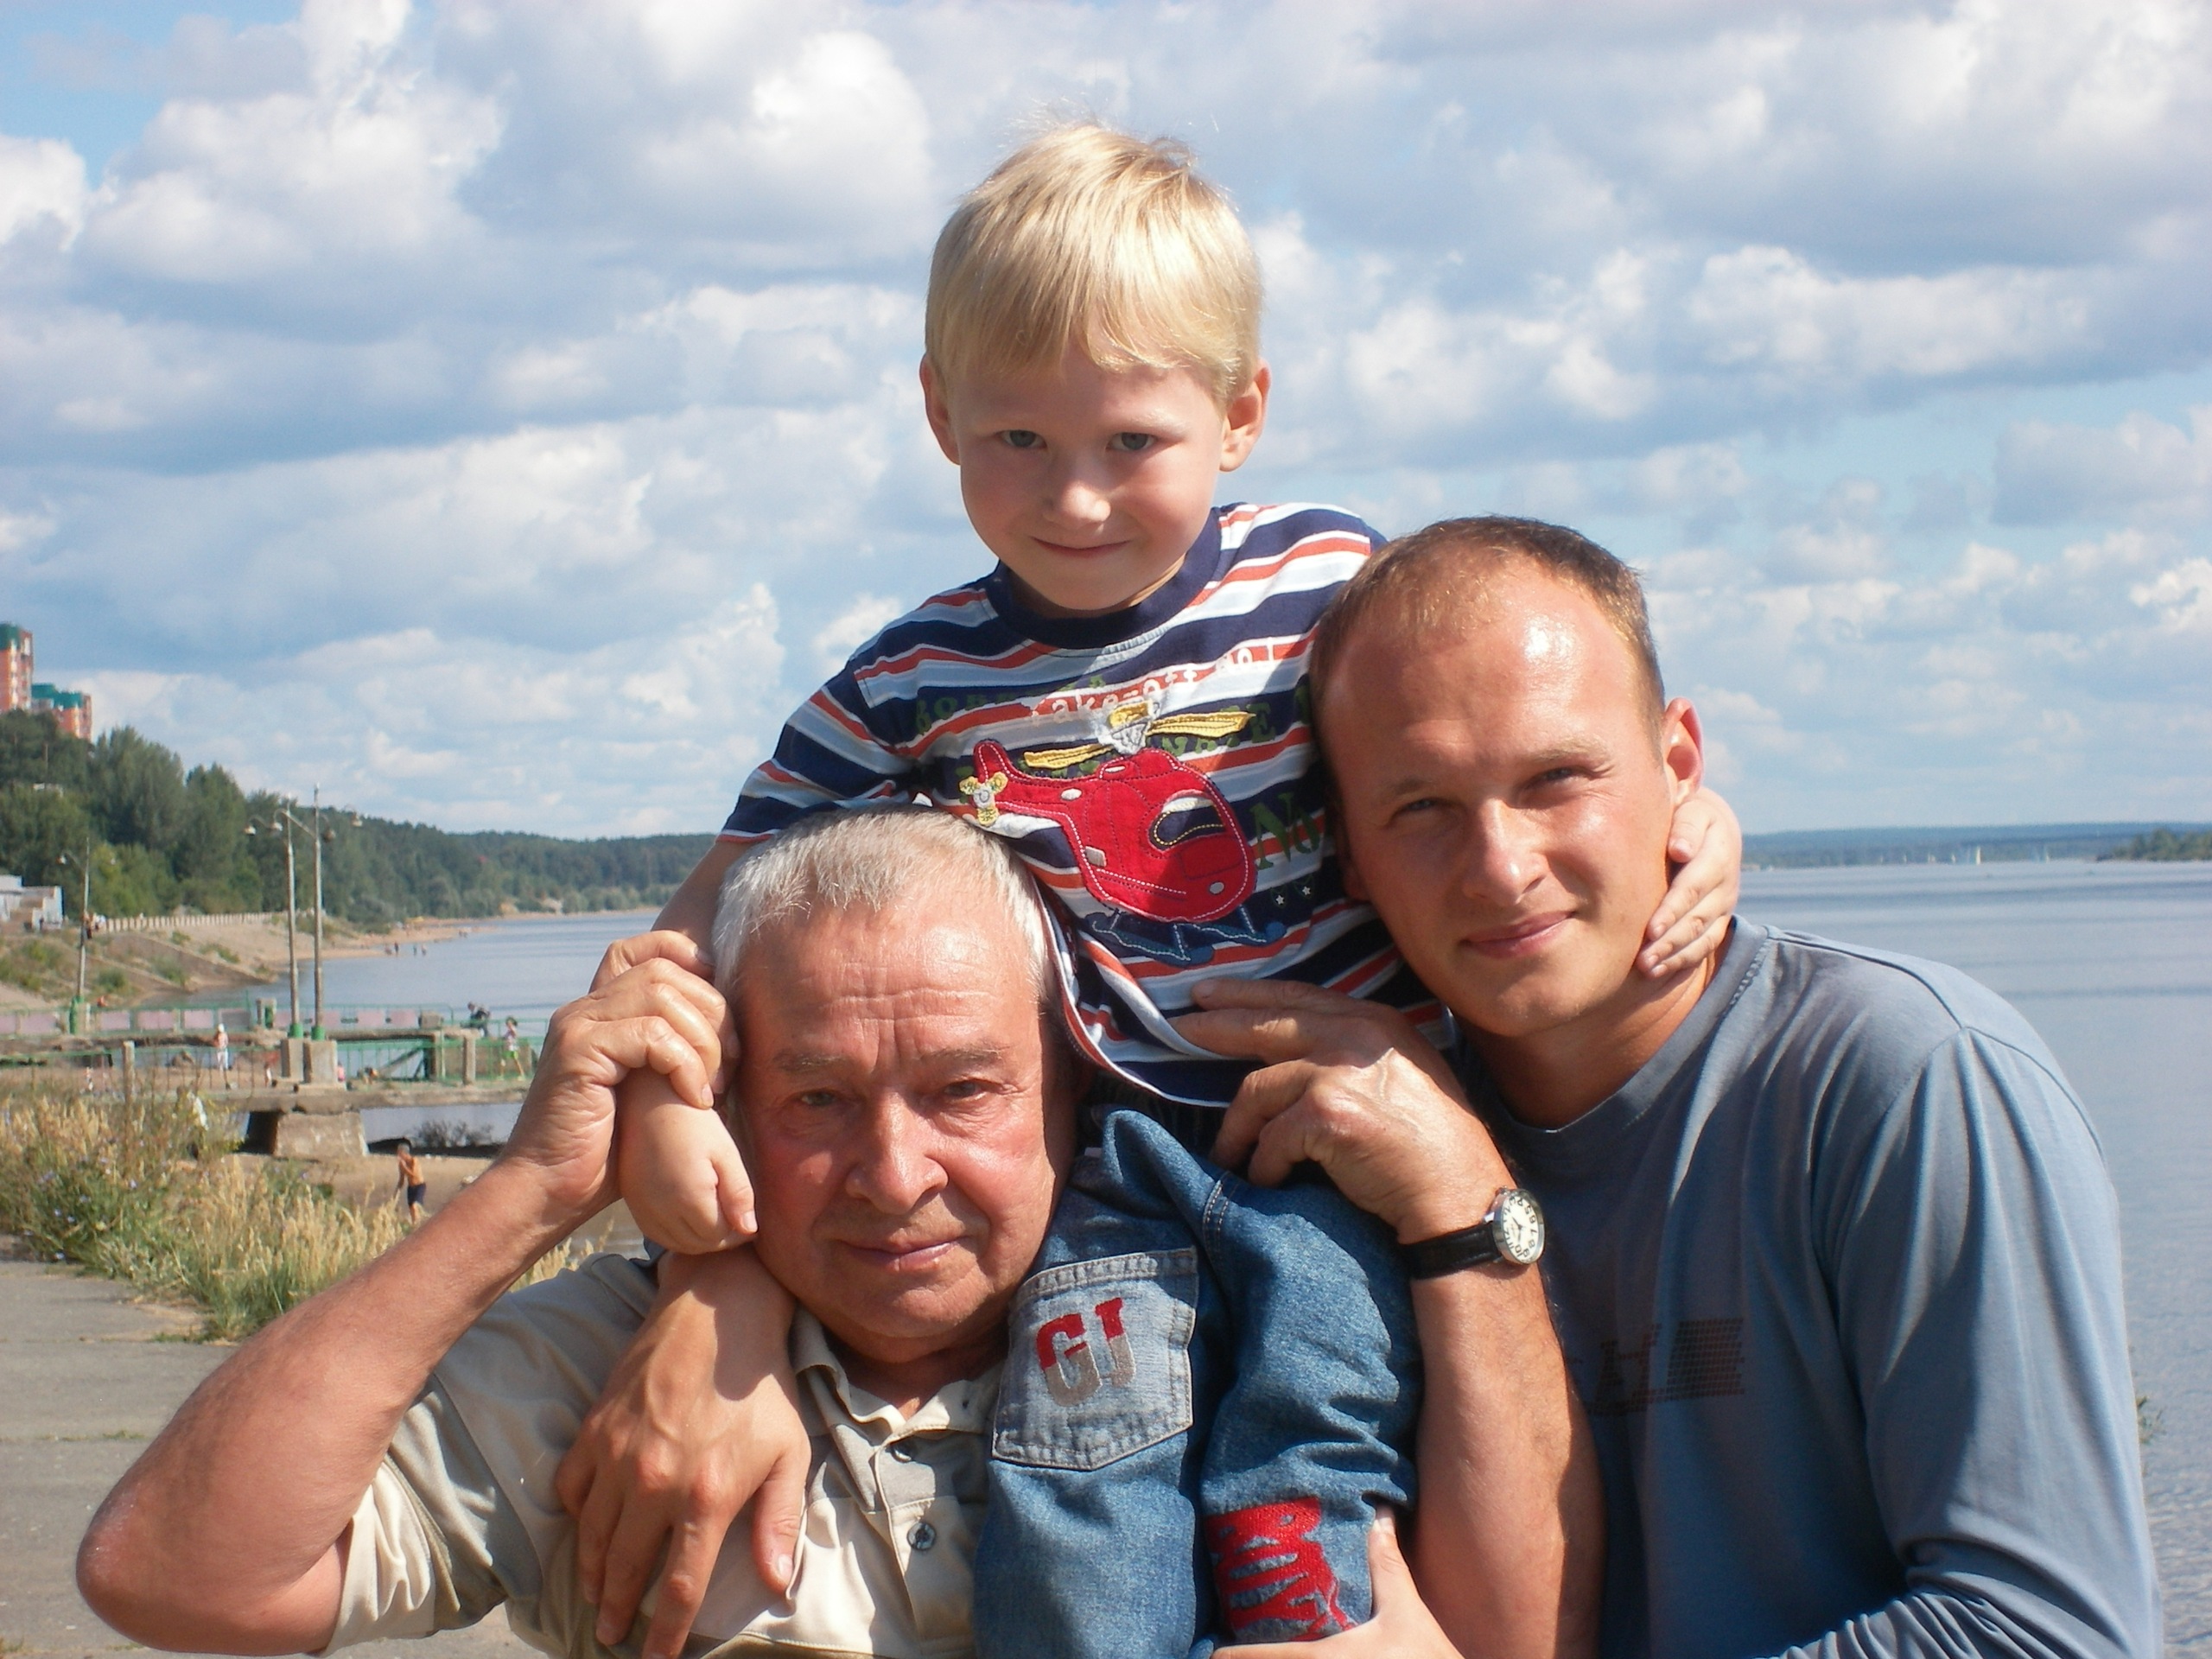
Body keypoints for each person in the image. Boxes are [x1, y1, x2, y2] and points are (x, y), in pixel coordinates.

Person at [591, 122, 1732, 1659]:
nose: (1075, 499)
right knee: (1079, 1481)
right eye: (1018, 441)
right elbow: (702, 922)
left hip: (1337, 1143)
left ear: (1241, 411)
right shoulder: (915, 679)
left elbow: (1518, 711)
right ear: (939, 413)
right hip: (1114, 1162)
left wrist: (1697, 823)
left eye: (1132, 443)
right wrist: (667, 1104)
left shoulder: (1326, 585)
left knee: (1307, 1455)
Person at [73, 808, 1581, 1659]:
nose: (890, 1173)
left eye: (963, 1091)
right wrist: (535, 1187)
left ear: (1070, 1087)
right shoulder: (615, 1374)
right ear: (728, 1095)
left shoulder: (1243, 1331)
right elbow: (174, 1574)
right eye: (816, 1099)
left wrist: (1467, 1208)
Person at [1171, 516, 2162, 1657]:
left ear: (1678, 764)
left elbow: (2046, 1633)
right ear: (1347, 848)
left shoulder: (1906, 1080)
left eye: (1557, 779)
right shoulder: (1352, 1130)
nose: (1501, 867)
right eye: (1421, 807)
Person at [394, 1136, 427, 1223]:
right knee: (411, 1209)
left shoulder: (414, 1161)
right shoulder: (402, 1164)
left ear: (404, 1153)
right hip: (411, 1187)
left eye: (399, 1153)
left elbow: (413, 1175)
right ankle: (415, 1224)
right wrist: (397, 1192)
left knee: (414, 1206)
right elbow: (401, 1179)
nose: (398, 1155)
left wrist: (404, 1167)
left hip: (419, 1186)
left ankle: (418, 1224)